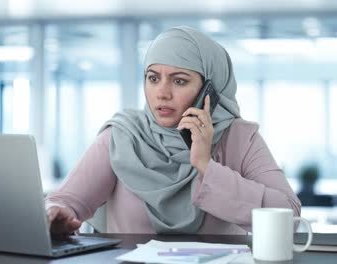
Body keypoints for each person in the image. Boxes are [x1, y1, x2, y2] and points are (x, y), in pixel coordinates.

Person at [45, 26, 301, 235]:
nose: (162, 93)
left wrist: (206, 166)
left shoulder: (240, 138)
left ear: (209, 91)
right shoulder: (123, 136)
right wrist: (57, 212)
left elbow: (289, 219)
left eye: (179, 81)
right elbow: (67, 201)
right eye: (153, 78)